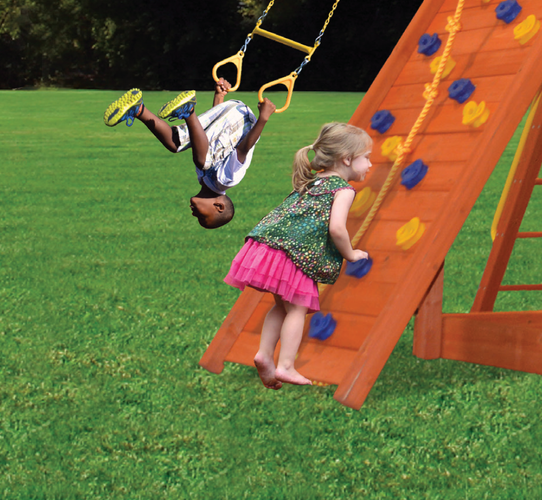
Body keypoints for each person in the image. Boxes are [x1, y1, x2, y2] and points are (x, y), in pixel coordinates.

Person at [223, 122, 373, 388]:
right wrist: (350, 254)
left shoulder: (314, 181)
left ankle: (264, 355)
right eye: (367, 158)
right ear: (347, 159)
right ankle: (286, 366)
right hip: (295, 255)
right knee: (297, 309)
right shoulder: (344, 190)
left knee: (281, 305)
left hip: (270, 246)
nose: (370, 164)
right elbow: (337, 228)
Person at [104, 78, 273, 229]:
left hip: (228, 118)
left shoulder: (204, 178)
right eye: (201, 217)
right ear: (218, 206)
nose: (193, 214)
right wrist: (263, 118)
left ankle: (138, 109)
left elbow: (210, 138)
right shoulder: (225, 180)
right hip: (243, 121)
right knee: (202, 160)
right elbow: (243, 149)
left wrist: (219, 97)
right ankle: (188, 110)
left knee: (176, 143)